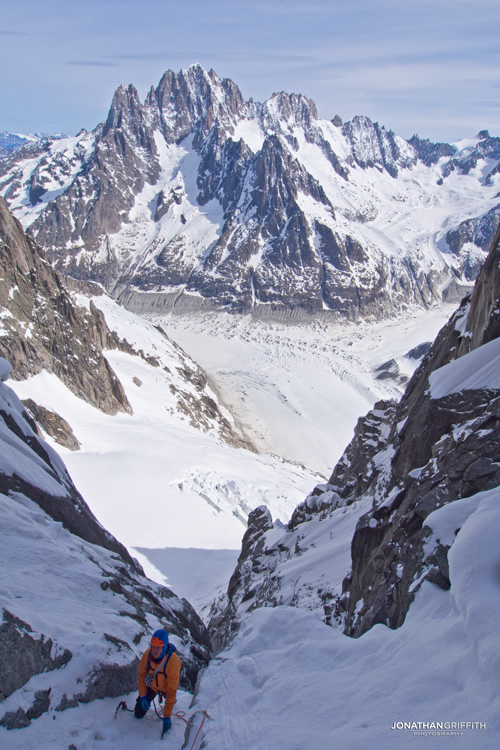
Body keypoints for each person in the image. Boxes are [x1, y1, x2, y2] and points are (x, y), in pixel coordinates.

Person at [134, 628, 182, 737]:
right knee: (138, 713)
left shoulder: (173, 662)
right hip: (152, 686)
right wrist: (143, 696)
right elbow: (141, 676)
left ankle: (168, 702)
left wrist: (167, 716)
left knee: (170, 697)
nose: (155, 651)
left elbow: (171, 690)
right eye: (153, 647)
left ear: (164, 647)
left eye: (158, 648)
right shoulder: (147, 655)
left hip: (166, 688)